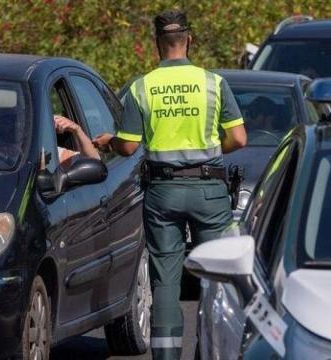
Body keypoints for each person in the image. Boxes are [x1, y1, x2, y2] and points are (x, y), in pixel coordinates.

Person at [93, 10, 246, 360]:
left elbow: (129, 146)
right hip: (209, 191)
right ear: (189, 40)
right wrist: (205, 154)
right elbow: (238, 137)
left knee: (165, 282)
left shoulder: (142, 86)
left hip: (162, 192)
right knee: (217, 279)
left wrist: (108, 142)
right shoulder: (213, 83)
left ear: (157, 44)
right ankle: (212, 351)